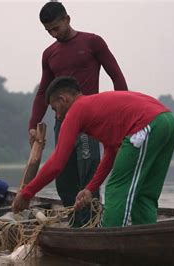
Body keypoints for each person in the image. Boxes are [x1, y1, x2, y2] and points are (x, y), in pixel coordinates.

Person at [13, 77, 174, 227]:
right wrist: (90, 189)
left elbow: (57, 162)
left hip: (147, 124)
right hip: (168, 122)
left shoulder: (76, 110)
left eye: (55, 109)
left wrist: (27, 193)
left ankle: (109, 241)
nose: (57, 115)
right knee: (144, 194)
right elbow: (111, 153)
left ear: (63, 99)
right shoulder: (95, 107)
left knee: (116, 189)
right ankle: (147, 238)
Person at [28, 1, 129, 226]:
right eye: (48, 31)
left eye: (56, 28)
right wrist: (33, 123)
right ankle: (75, 223)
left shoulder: (92, 42)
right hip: (62, 122)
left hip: (90, 122)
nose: (54, 34)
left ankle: (93, 222)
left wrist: (122, 118)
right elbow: (43, 91)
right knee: (63, 176)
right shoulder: (49, 54)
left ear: (67, 19)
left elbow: (116, 76)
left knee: (89, 170)